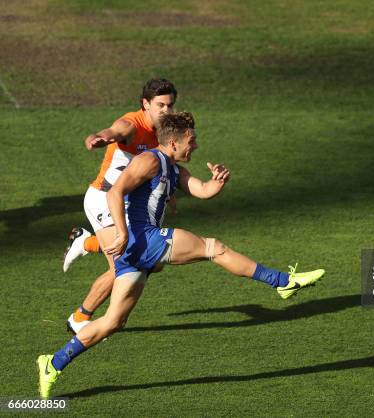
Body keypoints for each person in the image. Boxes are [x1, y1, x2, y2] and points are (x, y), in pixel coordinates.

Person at [37, 112, 325, 399]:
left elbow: (202, 190)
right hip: (142, 239)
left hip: (137, 251)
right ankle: (281, 281)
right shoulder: (149, 160)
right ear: (173, 142)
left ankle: (53, 363)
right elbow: (115, 193)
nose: (196, 147)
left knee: (113, 322)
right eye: (191, 141)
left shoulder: (173, 169)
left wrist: (218, 182)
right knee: (214, 247)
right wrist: (122, 233)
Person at [62, 78, 177, 335]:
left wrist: (168, 192)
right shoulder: (131, 125)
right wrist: (99, 138)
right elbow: (113, 132)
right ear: (145, 104)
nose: (166, 111)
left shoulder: (165, 131)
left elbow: (160, 164)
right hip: (103, 198)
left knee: (154, 262)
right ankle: (79, 319)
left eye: (170, 105)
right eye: (160, 105)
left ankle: (87, 242)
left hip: (127, 203)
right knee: (123, 267)